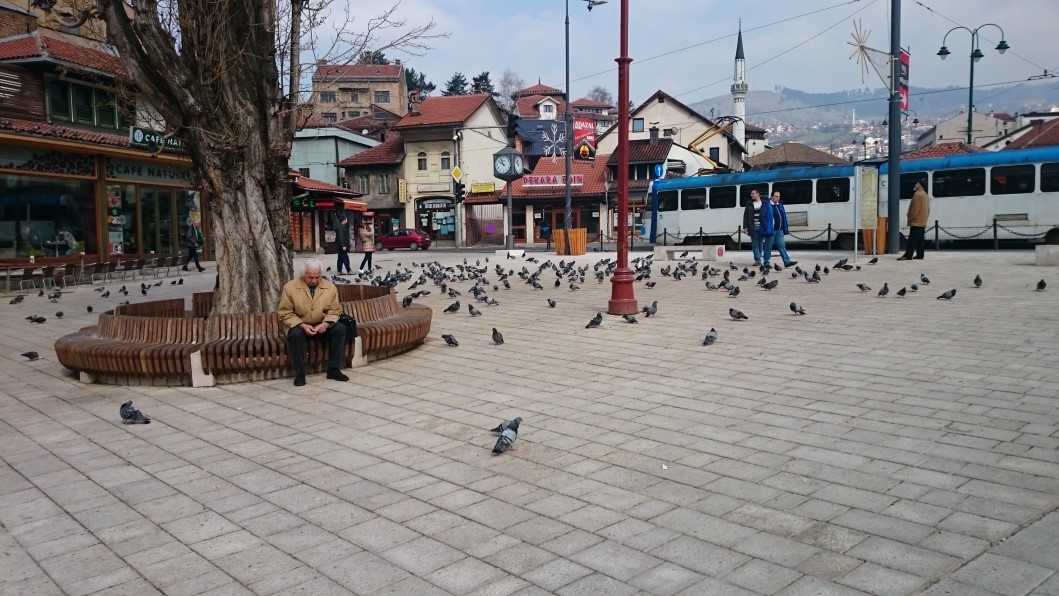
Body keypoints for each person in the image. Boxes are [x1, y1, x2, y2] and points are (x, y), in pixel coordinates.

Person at [276, 259, 348, 386]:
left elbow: (335, 310)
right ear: (303, 274)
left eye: (317, 277)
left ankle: (334, 369)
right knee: (295, 335)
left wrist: (325, 324)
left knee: (340, 329)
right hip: (300, 325)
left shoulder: (330, 287)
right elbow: (285, 312)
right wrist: (302, 325)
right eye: (310, 277)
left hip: (322, 325)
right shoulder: (290, 287)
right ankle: (300, 374)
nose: (314, 280)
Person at [760, 190, 798, 269]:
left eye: (779, 196)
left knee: (782, 246)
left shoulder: (780, 205)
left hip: (779, 230)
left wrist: (784, 227)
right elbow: (762, 217)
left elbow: (783, 217)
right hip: (771, 230)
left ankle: (786, 261)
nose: (778, 198)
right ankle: (766, 262)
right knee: (768, 247)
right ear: (771, 197)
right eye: (776, 196)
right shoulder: (766, 205)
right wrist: (766, 227)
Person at [898, 179, 930, 261]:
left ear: (920, 186)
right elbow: (928, 209)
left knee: (912, 239)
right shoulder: (925, 194)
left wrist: (911, 217)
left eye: (917, 184)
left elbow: (915, 209)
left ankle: (908, 255)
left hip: (916, 221)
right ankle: (920, 254)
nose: (915, 185)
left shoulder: (917, 194)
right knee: (920, 239)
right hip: (922, 220)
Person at [741, 189, 765, 266]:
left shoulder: (764, 203)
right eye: (751, 193)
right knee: (755, 244)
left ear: (758, 194)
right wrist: (745, 227)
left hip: (761, 227)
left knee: (760, 244)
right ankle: (758, 259)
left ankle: (758, 259)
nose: (751, 195)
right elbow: (745, 216)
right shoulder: (749, 204)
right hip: (753, 227)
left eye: (753, 193)